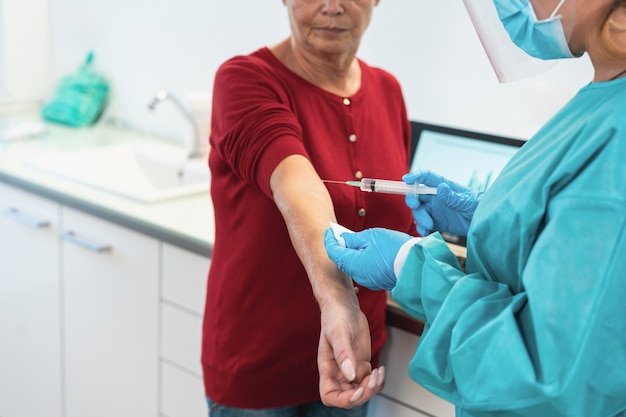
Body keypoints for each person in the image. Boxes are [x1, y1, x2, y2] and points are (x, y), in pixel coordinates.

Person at [324, 0, 626, 416]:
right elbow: (581, 251)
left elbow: (548, 375)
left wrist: (411, 266)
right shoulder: (604, 98)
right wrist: (489, 216)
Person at [202, 0, 417, 415]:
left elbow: (391, 217)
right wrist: (338, 299)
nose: (331, 7)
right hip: (258, 370)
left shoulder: (387, 90)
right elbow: (296, 184)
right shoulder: (245, 79)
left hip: (353, 362)